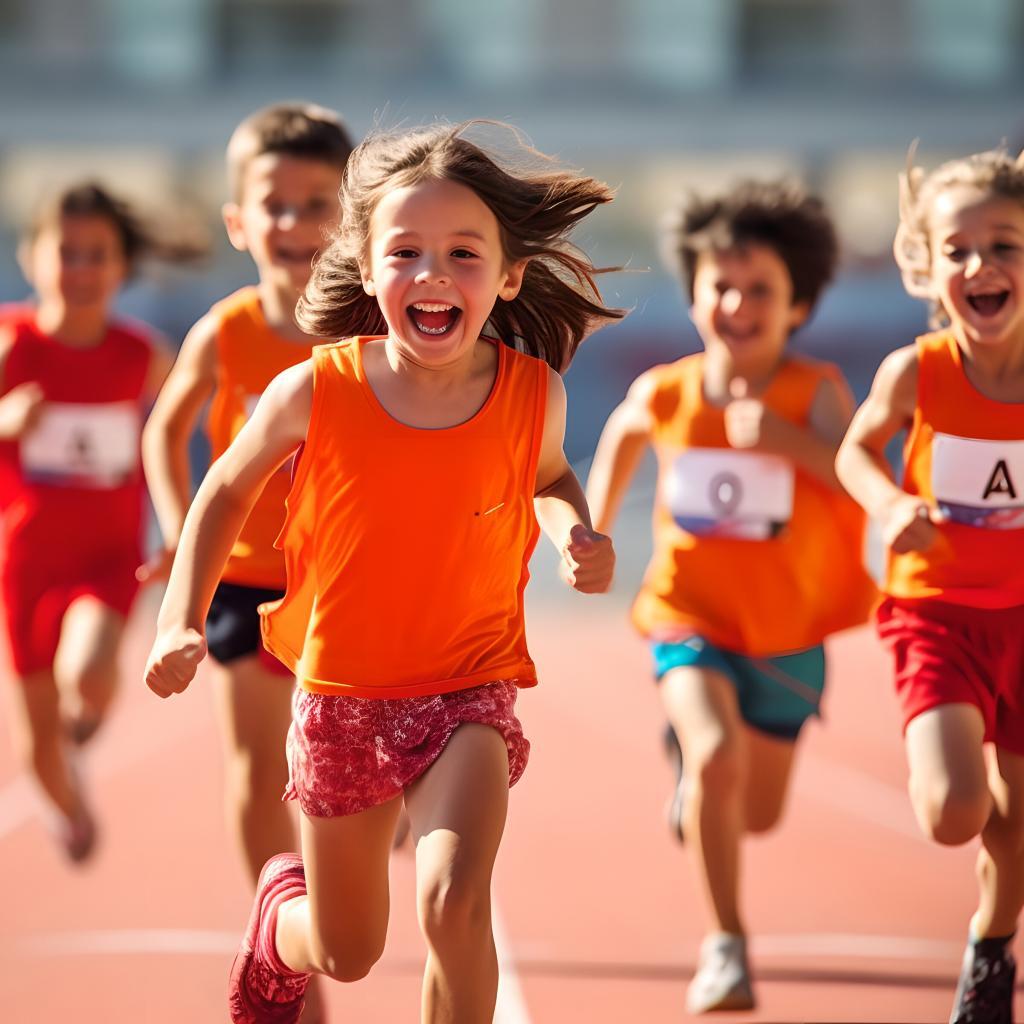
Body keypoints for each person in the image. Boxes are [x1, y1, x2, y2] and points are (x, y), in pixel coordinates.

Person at [144, 120, 620, 1024]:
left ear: (508, 277)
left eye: (463, 253)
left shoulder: (530, 393)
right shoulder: (317, 389)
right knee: (347, 949)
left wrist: (573, 531)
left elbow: (549, 472)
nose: (433, 274)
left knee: (453, 902)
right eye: (404, 252)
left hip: (468, 688)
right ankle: (280, 923)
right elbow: (223, 490)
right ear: (366, 269)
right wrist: (180, 620)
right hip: (343, 694)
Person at [587, 181, 875, 1013]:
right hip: (690, 615)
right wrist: (592, 529)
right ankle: (726, 945)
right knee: (717, 756)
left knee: (755, 815)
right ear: (694, 293)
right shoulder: (670, 390)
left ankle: (697, 779)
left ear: (798, 307)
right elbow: (621, 437)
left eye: (760, 291)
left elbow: (863, 483)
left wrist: (791, 444)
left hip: (788, 635)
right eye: (721, 286)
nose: (737, 304)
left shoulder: (816, 393)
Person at [141, 102, 354, 887]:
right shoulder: (224, 333)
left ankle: (369, 836)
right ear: (238, 221)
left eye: (318, 204)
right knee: (259, 768)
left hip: (348, 585)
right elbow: (166, 432)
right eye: (275, 204)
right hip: (245, 580)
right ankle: (281, 933)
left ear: (352, 220)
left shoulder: (371, 335)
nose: (295, 221)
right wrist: (175, 529)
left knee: (354, 759)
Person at [836, 147, 1024, 1024]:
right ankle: (985, 800)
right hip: (939, 615)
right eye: (958, 250)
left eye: (1005, 246)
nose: (980, 267)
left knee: (1017, 824)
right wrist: (885, 501)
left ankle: (991, 946)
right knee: (955, 813)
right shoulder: (919, 370)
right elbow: (855, 448)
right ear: (929, 265)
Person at [0, 182, 192, 861]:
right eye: (67, 252)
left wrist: (181, 525)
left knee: (87, 673)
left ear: (121, 268)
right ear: (32, 258)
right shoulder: (8, 343)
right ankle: (72, 807)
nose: (81, 269)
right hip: (25, 563)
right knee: (38, 755)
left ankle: (88, 715)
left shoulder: (144, 358)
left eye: (97, 255)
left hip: (110, 558)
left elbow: (180, 434)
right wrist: (5, 422)